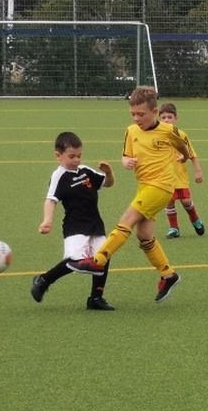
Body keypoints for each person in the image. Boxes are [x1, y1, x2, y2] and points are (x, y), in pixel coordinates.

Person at [67, 86, 189, 303]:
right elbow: (125, 156)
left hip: (161, 187)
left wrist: (184, 157)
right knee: (144, 235)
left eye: (141, 114)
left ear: (155, 112)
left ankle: (98, 260)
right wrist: (126, 162)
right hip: (144, 186)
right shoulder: (131, 131)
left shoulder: (168, 131)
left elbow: (183, 145)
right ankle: (168, 274)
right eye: (133, 114)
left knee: (127, 220)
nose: (136, 118)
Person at [31, 131, 116, 310]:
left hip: (96, 224)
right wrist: (47, 220)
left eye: (79, 156)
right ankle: (43, 280)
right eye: (72, 156)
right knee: (75, 261)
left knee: (103, 258)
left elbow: (108, 183)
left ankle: (96, 298)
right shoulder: (59, 176)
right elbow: (51, 200)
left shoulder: (86, 171)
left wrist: (108, 172)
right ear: (58, 156)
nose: (76, 160)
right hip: (75, 226)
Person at [157, 102, 206, 238]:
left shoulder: (181, 135)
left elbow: (192, 154)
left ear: (176, 119)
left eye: (169, 117)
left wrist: (198, 171)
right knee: (169, 201)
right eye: (163, 118)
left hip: (180, 176)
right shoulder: (157, 136)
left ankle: (195, 219)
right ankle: (174, 228)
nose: (166, 120)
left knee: (186, 201)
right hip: (165, 176)